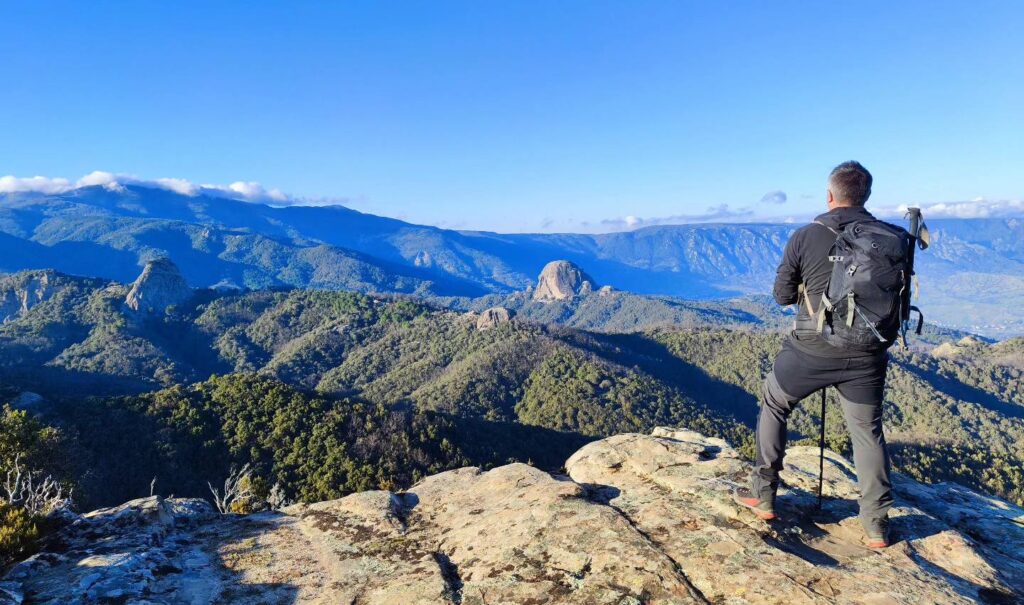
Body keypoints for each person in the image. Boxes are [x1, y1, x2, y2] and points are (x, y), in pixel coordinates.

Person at [734, 161, 894, 548]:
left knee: (774, 402)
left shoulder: (806, 235)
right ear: (866, 196)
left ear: (829, 195)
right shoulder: (892, 237)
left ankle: (764, 494)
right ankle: (875, 523)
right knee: (867, 432)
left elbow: (782, 296)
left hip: (811, 350)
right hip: (867, 354)